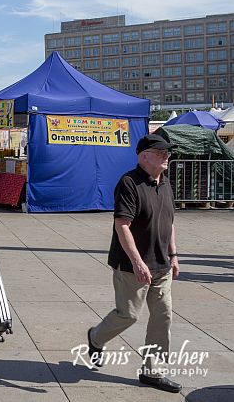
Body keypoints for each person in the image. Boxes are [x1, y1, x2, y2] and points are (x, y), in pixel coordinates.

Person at [87, 134, 182, 394]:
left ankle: (153, 371)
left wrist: (173, 255)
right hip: (132, 266)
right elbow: (122, 225)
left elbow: (169, 222)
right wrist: (138, 262)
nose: (166, 156)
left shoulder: (165, 184)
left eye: (167, 152)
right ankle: (96, 338)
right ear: (144, 156)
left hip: (161, 265)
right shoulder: (129, 183)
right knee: (128, 315)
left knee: (163, 317)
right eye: (160, 152)